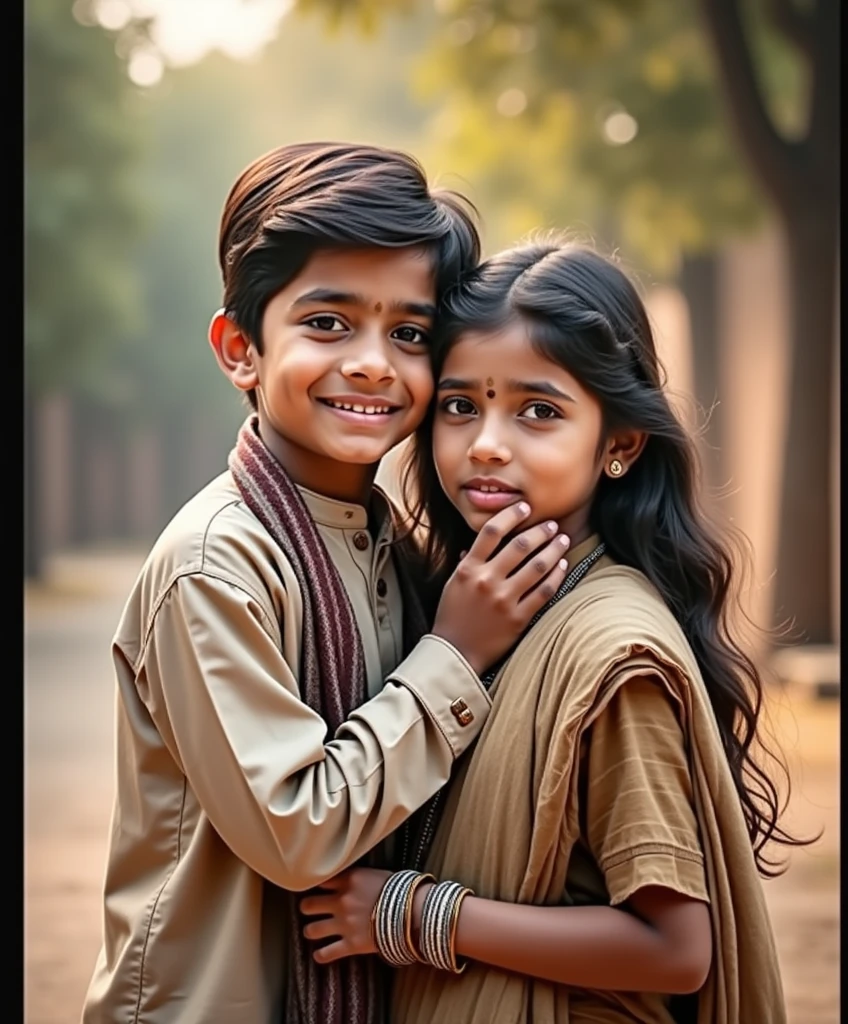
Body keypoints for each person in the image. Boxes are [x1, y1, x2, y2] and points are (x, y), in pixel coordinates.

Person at [81, 145, 574, 1024]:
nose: (375, 363)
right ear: (241, 349)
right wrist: (454, 655)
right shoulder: (216, 566)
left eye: (410, 334)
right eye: (329, 323)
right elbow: (297, 832)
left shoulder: (389, 544)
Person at [299, 239, 808, 1023]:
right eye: (461, 406)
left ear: (619, 444)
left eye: (538, 411)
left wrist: (412, 915)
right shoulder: (468, 608)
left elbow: (676, 949)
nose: (488, 444)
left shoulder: (613, 652)